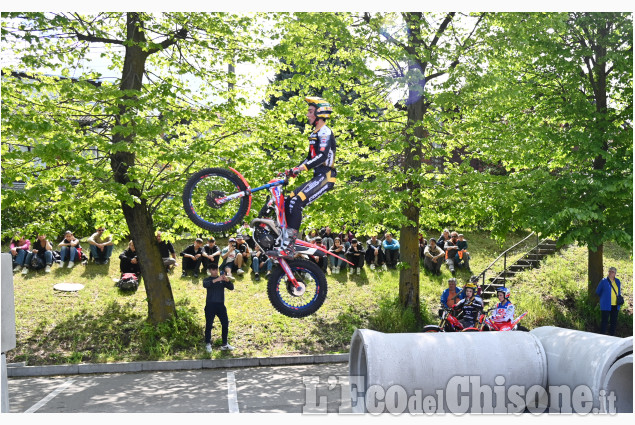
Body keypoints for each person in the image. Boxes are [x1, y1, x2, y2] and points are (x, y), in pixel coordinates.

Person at [269, 96, 336, 259]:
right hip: (318, 175)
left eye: (310, 111)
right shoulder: (315, 133)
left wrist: (302, 168)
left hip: (327, 175)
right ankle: (284, 241)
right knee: (287, 200)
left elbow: (321, 157)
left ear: (320, 114)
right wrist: (294, 170)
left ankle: (290, 246)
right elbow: (309, 157)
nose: (307, 115)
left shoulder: (326, 132)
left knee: (296, 202)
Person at [202, 263, 235, 353]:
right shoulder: (207, 279)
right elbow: (205, 285)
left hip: (221, 305)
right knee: (209, 325)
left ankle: (225, 344)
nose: (215, 271)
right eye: (213, 270)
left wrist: (227, 280)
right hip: (210, 305)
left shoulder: (222, 280)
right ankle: (208, 343)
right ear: (209, 271)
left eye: (216, 269)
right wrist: (217, 279)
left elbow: (231, 288)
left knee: (225, 324)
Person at [595, 267, 623, 336]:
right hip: (606, 305)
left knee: (613, 322)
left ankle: (612, 336)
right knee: (604, 321)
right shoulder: (603, 281)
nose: (610, 273)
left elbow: (618, 292)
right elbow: (598, 291)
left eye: (612, 272)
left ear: (615, 273)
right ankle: (602, 336)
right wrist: (604, 298)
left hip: (616, 305)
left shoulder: (618, 281)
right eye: (609, 271)